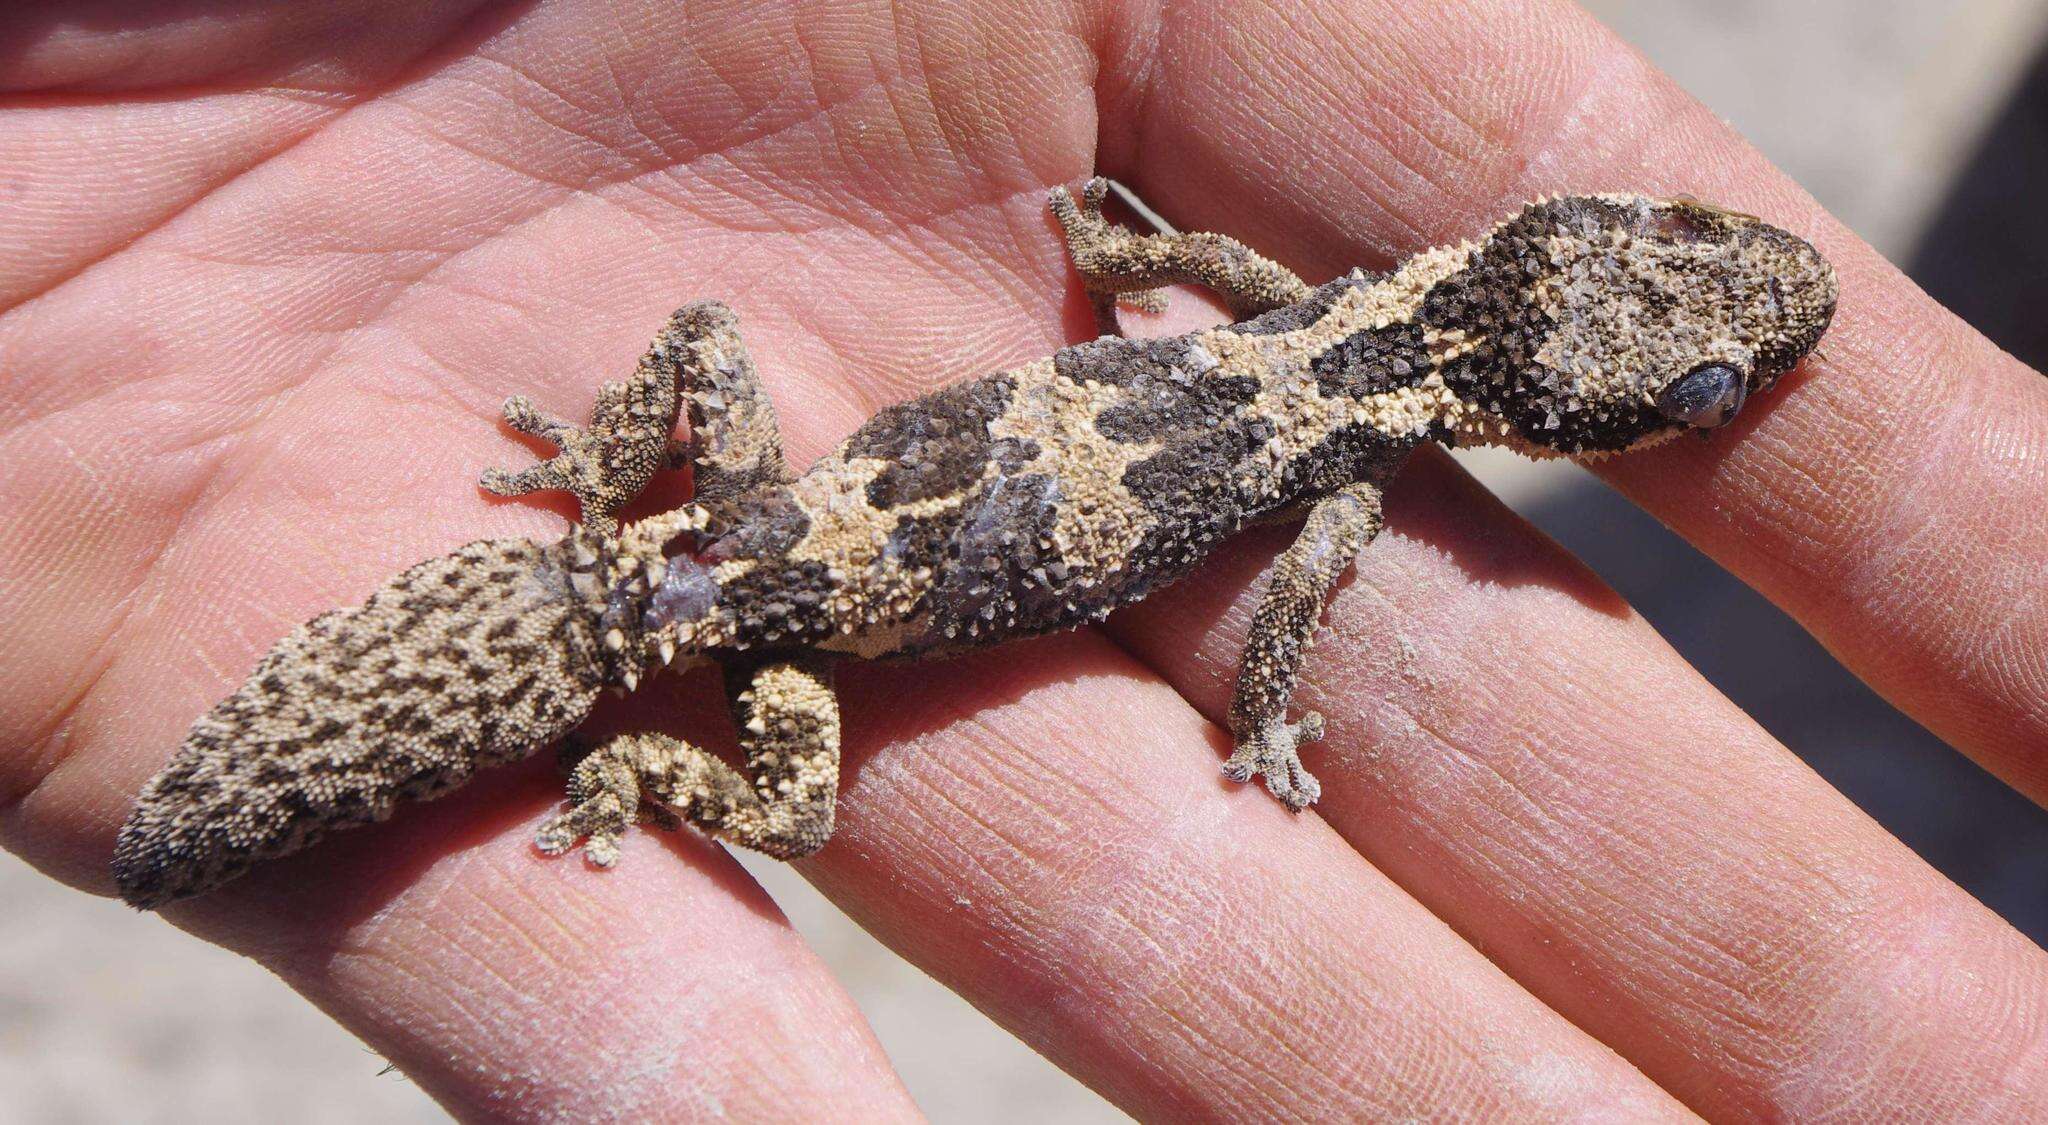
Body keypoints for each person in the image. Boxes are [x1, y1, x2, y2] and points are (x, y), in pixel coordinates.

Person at [2, 2, 2042, 1117]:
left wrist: (1141, 257)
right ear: (1543, 389)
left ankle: (591, 636)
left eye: (1680, 369)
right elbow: (1287, 631)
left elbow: (1210, 278)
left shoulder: (1291, 315)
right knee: (786, 780)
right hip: (738, 616)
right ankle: (626, 753)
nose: (1712, 341)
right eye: (1688, 347)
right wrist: (1262, 739)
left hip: (712, 536)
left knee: (706, 365)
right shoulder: (1341, 458)